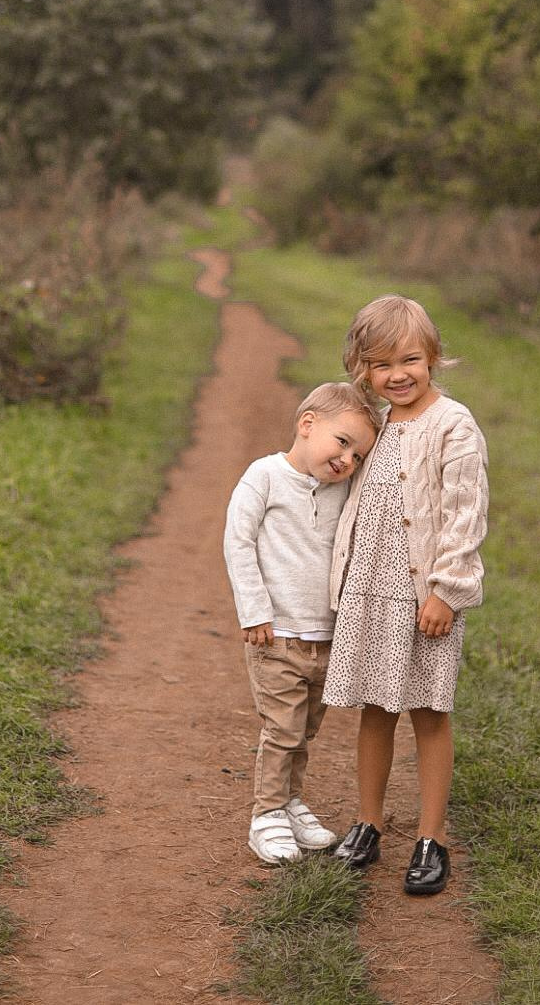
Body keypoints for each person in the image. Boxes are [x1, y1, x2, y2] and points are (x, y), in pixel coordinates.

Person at [323, 295, 488, 896]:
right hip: (370, 587)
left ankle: (430, 836)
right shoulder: (375, 421)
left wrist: (447, 590)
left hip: (424, 598)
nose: (397, 375)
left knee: (428, 710)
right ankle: (367, 823)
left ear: (433, 356)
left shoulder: (454, 424)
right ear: (361, 368)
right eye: (380, 364)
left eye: (410, 360)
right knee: (374, 705)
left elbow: (465, 514)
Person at [224, 382, 377, 865]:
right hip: (276, 635)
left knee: (305, 730)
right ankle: (265, 814)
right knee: (282, 729)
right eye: (343, 442)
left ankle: (290, 803)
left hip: (325, 638)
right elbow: (238, 541)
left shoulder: (342, 490)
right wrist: (254, 611)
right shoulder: (264, 476)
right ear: (308, 425)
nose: (348, 461)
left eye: (358, 456)